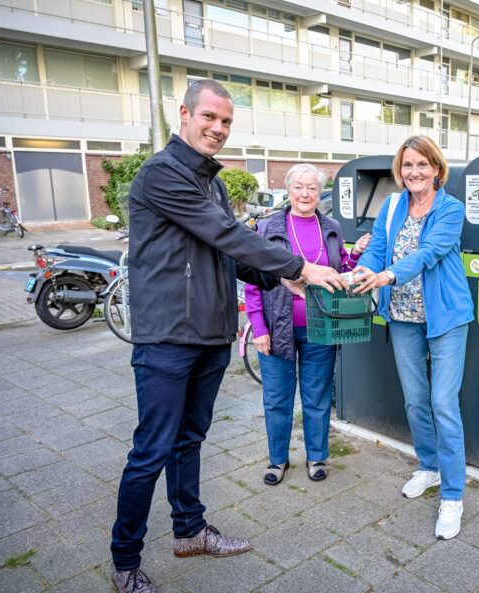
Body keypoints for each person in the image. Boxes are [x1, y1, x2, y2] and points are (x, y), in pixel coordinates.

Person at [110, 80, 348, 593]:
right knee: (151, 450)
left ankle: (189, 530)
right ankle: (125, 560)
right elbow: (228, 235)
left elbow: (226, 253)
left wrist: (274, 276)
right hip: (169, 336)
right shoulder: (161, 175)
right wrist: (299, 266)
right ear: (185, 114)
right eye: (210, 118)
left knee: (190, 439)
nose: (218, 129)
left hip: (211, 333)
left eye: (226, 122)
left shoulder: (212, 184)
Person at [353, 135, 474, 540]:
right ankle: (429, 467)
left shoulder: (450, 208)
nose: (414, 172)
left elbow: (429, 253)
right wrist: (364, 269)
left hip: (446, 317)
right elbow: (378, 250)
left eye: (423, 165)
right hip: (403, 317)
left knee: (443, 402)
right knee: (415, 398)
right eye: (408, 165)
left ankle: (453, 495)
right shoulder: (391, 206)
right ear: (399, 169)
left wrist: (387, 274)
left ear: (437, 169)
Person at [245, 164, 370, 486]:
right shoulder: (269, 227)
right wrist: (258, 328)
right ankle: (277, 460)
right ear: (288, 190)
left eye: (312, 187)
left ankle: (317, 455)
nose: (305, 193)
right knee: (277, 399)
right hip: (276, 328)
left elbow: (340, 269)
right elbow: (253, 283)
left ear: (319, 192)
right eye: (298, 187)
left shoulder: (331, 226)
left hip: (321, 327)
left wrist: (353, 256)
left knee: (317, 396)